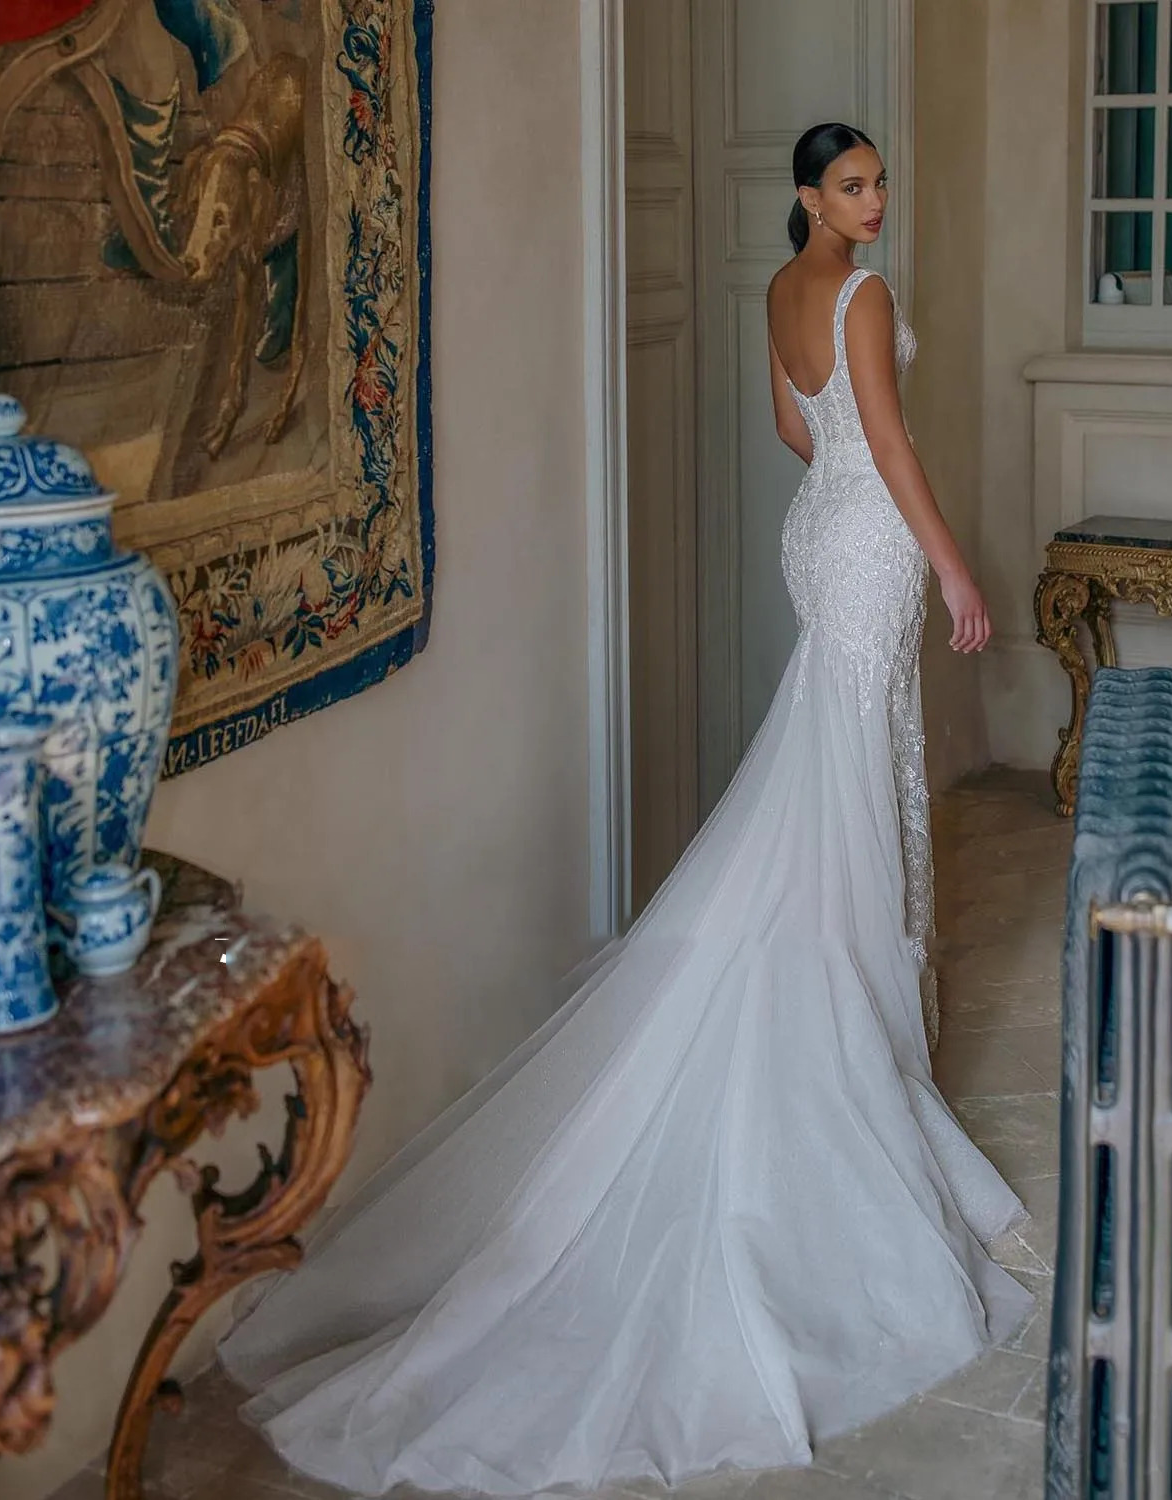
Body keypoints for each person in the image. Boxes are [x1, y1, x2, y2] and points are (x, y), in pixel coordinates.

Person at [218, 122, 1031, 1498]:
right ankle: (833, 1024)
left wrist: (853, 493)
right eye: (852, 185)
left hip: (818, 543)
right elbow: (885, 447)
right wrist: (953, 568)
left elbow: (800, 427)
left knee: (824, 774)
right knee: (842, 779)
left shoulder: (782, 292)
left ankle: (821, 985)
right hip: (873, 546)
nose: (876, 201)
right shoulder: (863, 291)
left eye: (882, 181)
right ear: (807, 194)